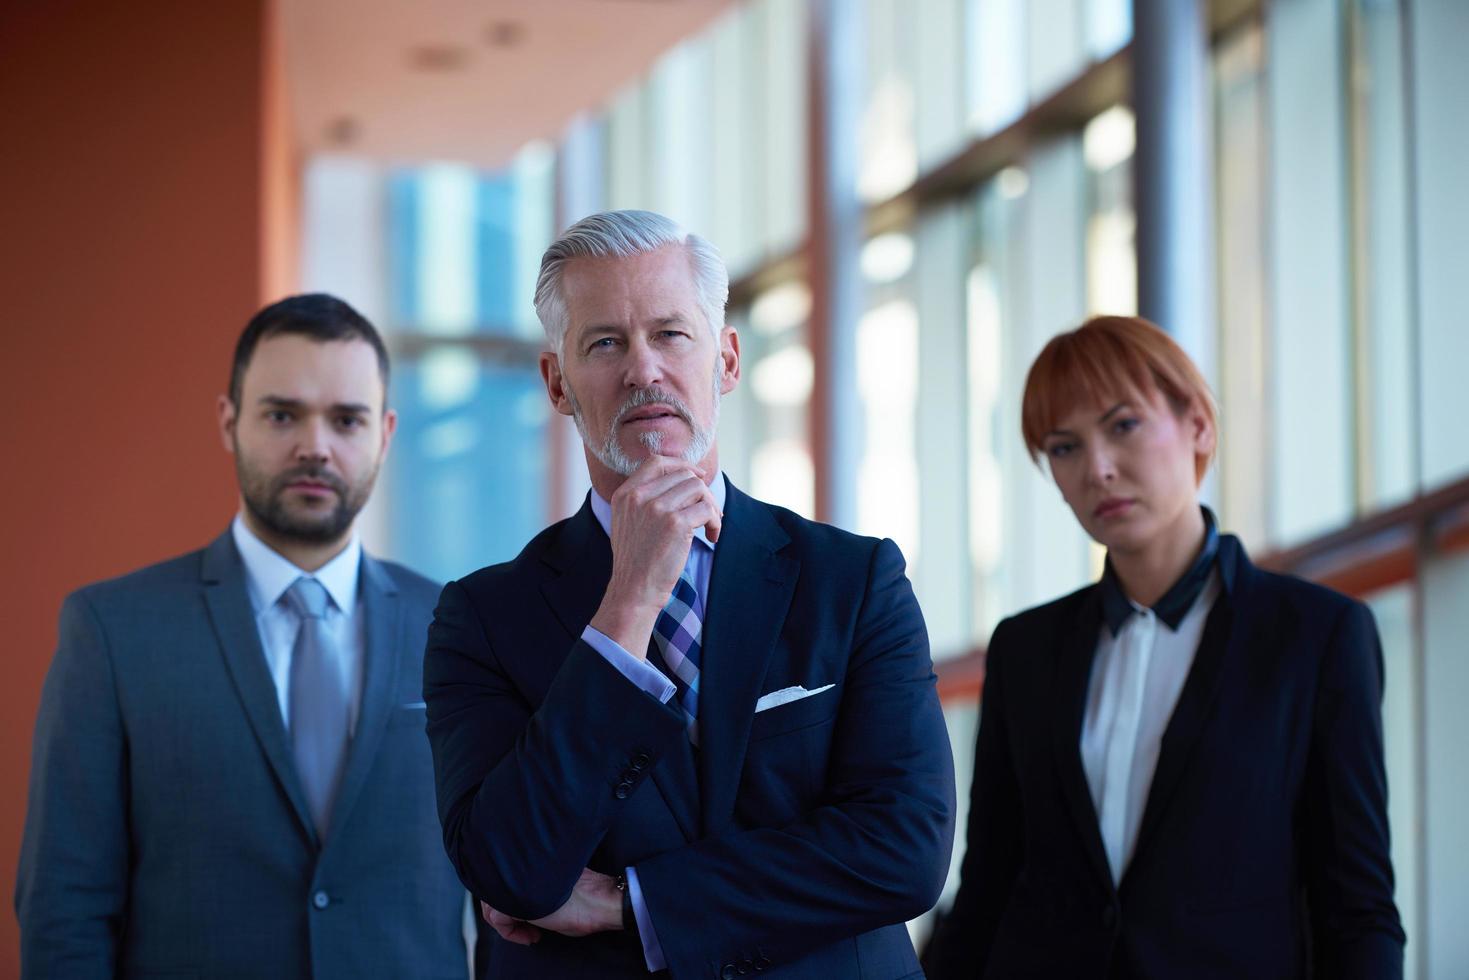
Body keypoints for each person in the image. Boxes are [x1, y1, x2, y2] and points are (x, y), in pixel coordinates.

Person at [423, 209, 955, 979]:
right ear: (557, 383)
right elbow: (510, 867)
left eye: (671, 334)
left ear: (727, 360)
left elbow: (903, 851)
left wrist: (630, 902)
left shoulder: (854, 579)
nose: (643, 370)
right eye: (604, 343)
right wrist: (628, 602)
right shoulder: (481, 618)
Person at [921, 315, 1405, 978]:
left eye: (1123, 426)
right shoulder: (1023, 649)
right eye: (1063, 448)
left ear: (1197, 426)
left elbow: (1356, 905)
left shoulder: (1314, 637)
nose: (1097, 468)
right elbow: (989, 884)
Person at [16, 294, 473, 979]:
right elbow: (65, 909)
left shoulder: (455, 628)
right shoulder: (112, 632)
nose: (314, 445)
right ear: (229, 423)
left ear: (383, 433)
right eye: (282, 414)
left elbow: (505, 896)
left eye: (345, 420)